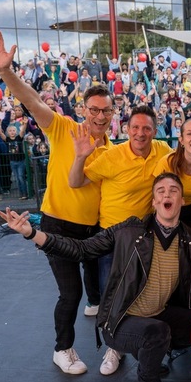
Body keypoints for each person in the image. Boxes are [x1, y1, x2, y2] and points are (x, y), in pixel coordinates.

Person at [0, 30, 113, 375]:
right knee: (71, 293)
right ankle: (63, 349)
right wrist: (7, 73)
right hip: (57, 224)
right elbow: (34, 101)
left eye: (106, 111)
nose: (100, 116)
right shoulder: (64, 128)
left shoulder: (114, 149)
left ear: (113, 113)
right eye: (94, 109)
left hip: (94, 229)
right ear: (84, 109)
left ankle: (113, 340)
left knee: (102, 287)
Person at [0, 173, 191, 382]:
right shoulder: (129, 231)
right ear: (154, 201)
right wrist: (31, 233)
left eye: (174, 190)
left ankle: (152, 355)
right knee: (156, 333)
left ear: (182, 200)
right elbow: (81, 249)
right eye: (161, 191)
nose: (167, 194)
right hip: (121, 320)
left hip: (159, 312)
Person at [68, 105, 173, 324]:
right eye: (135, 127)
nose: (140, 133)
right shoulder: (112, 156)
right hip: (111, 236)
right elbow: (75, 182)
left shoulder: (163, 151)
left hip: (143, 234)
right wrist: (80, 157)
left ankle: (133, 334)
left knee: (141, 288)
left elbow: (184, 164)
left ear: (155, 131)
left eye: (146, 128)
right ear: (126, 129)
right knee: (110, 290)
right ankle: (112, 343)